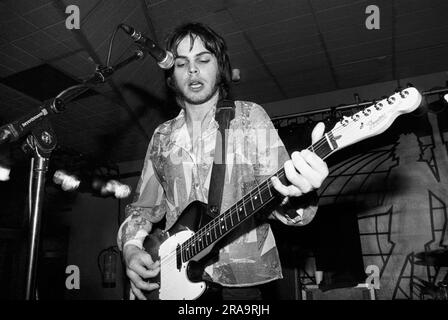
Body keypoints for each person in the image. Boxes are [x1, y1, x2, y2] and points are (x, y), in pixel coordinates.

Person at [117, 22, 329, 300]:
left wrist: (300, 193)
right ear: (171, 75)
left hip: (240, 283)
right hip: (169, 282)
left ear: (220, 67)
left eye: (203, 60)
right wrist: (131, 249)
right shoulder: (162, 136)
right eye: (181, 64)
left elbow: (279, 201)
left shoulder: (249, 118)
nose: (192, 70)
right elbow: (142, 210)